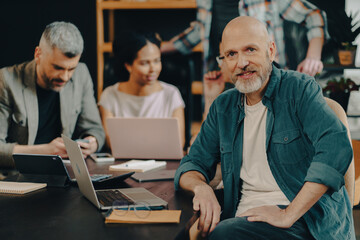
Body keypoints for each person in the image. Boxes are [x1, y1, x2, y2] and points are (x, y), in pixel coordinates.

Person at [174, 16, 354, 240]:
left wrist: (287, 214)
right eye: (231, 54)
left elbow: (335, 147)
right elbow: (192, 163)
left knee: (223, 235)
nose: (241, 63)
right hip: (242, 217)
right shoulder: (223, 107)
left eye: (250, 50)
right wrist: (202, 188)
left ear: (271, 50)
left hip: (306, 221)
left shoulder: (300, 89)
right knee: (181, 232)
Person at [0, 21, 105, 168]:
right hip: (19, 178)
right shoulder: (6, 80)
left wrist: (92, 142)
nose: (65, 77)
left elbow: (96, 130)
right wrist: (45, 151)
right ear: (38, 54)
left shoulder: (81, 73)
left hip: (65, 175)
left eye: (71, 68)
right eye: (58, 67)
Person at [161, 0, 328, 77]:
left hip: (262, 80)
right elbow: (200, 30)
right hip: (222, 79)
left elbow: (314, 15)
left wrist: (313, 56)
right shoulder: (205, 2)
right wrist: (159, 48)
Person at [98, 31, 185, 148]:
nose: (153, 69)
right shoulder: (110, 95)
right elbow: (111, 143)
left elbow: (178, 143)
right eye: (145, 63)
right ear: (128, 65)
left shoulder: (171, 94)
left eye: (157, 61)